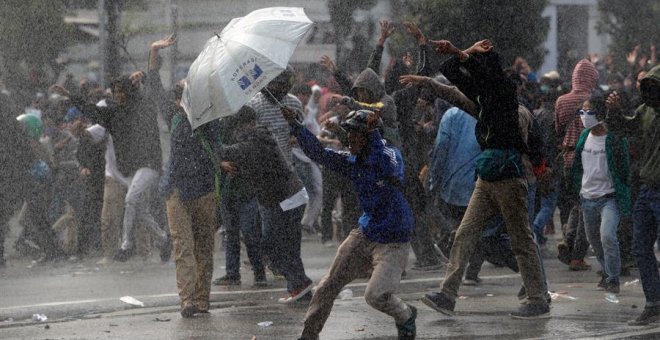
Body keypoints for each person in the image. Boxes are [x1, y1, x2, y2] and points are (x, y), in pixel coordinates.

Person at [402, 39, 549, 319]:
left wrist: (462, 54)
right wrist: (458, 56)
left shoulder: (506, 96)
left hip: (508, 177)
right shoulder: (483, 103)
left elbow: (482, 77)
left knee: (521, 241)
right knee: (465, 234)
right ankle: (447, 295)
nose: (474, 77)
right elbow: (451, 82)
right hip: (487, 178)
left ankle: (538, 297)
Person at [284, 108, 416, 340]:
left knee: (376, 296)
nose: (350, 139)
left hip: (394, 239)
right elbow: (318, 152)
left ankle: (405, 315)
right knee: (327, 287)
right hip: (365, 232)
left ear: (370, 136)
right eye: (349, 134)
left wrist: (373, 135)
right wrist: (296, 125)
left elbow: (391, 168)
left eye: (356, 135)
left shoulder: (389, 153)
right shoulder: (351, 161)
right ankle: (309, 336)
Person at [220, 106, 313, 303]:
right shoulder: (253, 139)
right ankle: (298, 287)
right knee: (281, 245)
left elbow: (233, 152)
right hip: (278, 198)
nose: (238, 132)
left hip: (288, 198)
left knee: (278, 245)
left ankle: (300, 285)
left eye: (240, 127)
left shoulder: (258, 139)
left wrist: (211, 143)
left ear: (249, 124)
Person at [607, 65, 660, 325]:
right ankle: (654, 302)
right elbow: (626, 128)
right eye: (645, 86)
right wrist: (614, 113)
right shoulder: (645, 111)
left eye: (653, 86)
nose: (647, 91)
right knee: (640, 248)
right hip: (647, 188)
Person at [569, 92, 631, 294]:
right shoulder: (584, 137)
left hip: (609, 199)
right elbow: (578, 166)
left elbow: (624, 169)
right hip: (587, 199)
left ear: (601, 113)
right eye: (582, 111)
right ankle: (606, 272)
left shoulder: (614, 139)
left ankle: (613, 278)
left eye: (589, 111)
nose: (584, 115)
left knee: (607, 237)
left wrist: (625, 196)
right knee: (595, 241)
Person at [555, 59, 599, 270]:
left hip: (567, 159)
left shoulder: (561, 101)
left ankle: (567, 238)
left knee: (576, 203)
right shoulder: (592, 100)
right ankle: (578, 256)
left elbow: (557, 130)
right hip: (588, 157)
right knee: (587, 206)